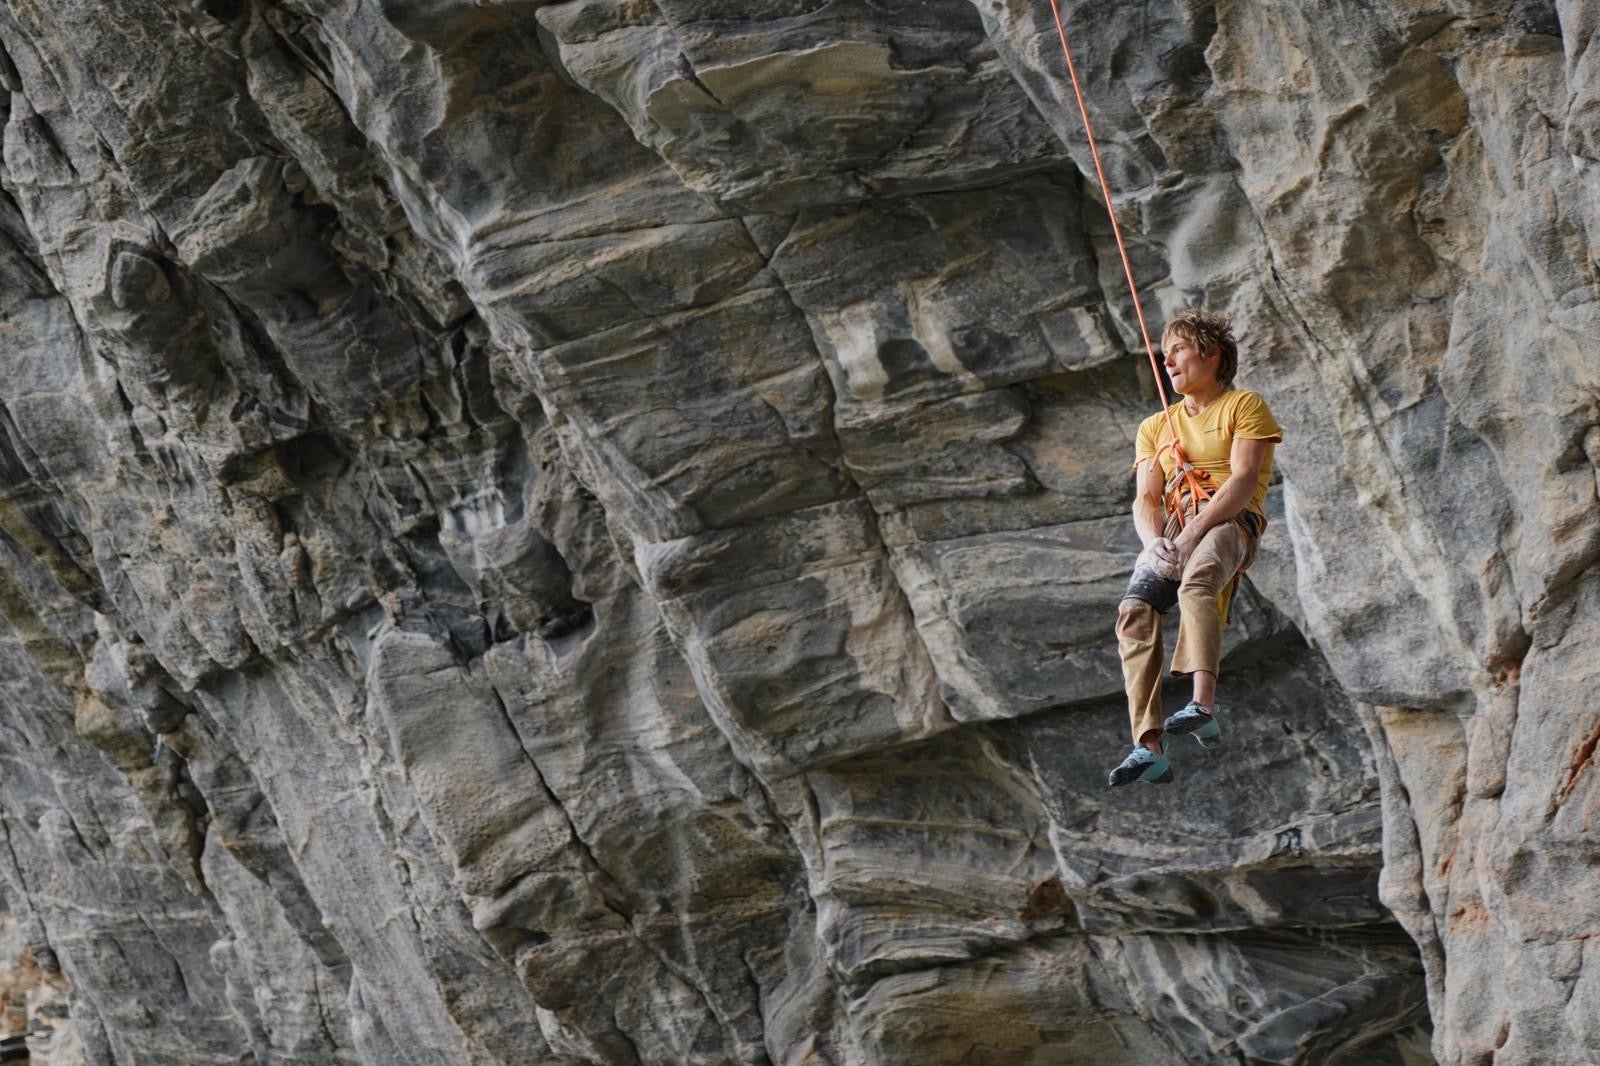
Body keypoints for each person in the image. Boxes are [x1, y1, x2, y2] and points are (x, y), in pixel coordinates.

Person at [1107, 310, 1283, 786]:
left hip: (1231, 520)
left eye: (1179, 349)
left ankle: (1201, 704)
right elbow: (1146, 496)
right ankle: (1148, 746)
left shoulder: (1244, 405)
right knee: (1134, 610)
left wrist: (1190, 536)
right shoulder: (1155, 427)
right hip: (1177, 528)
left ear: (1212, 354)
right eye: (1165, 353)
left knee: (1198, 578)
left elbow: (1244, 479)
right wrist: (1155, 544)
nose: (1168, 360)